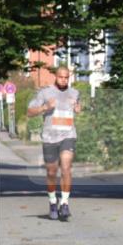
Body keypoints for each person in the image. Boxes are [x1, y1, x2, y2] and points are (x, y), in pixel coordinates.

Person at [26, 65, 81, 221]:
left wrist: (78, 108)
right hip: (50, 137)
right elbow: (30, 112)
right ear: (55, 77)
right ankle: (52, 202)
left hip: (68, 135)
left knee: (66, 167)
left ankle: (64, 203)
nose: (63, 80)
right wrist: (45, 107)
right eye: (60, 77)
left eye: (66, 77)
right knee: (51, 173)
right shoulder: (45, 92)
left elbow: (78, 107)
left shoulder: (75, 93)